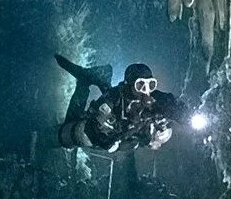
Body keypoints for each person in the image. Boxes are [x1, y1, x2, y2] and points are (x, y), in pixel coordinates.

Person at [54, 55, 184, 153]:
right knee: (76, 129)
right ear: (129, 84)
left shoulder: (154, 97)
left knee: (131, 143)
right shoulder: (114, 97)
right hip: (108, 131)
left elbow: (170, 102)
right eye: (140, 85)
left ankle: (100, 76)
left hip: (125, 135)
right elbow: (94, 125)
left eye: (151, 84)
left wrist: (183, 114)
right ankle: (84, 81)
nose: (146, 90)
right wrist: (106, 141)